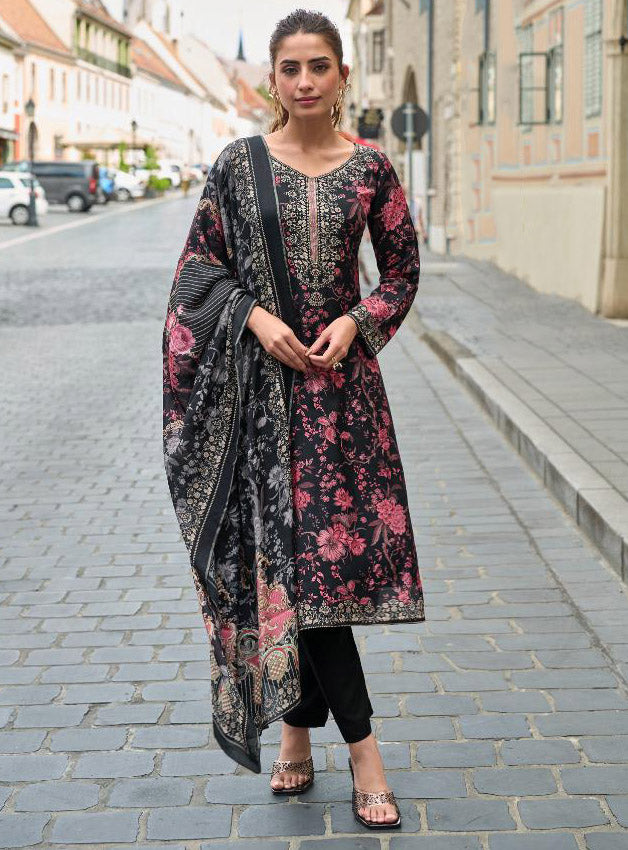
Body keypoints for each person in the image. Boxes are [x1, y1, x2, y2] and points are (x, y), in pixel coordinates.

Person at [162, 8, 425, 831]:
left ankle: (300, 735)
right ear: (273, 79)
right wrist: (252, 316)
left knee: (316, 576)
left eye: (319, 66)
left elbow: (403, 271)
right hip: (259, 408)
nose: (305, 81)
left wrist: (357, 320)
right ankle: (361, 752)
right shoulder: (236, 167)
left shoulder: (371, 168)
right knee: (292, 571)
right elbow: (197, 272)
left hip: (343, 404)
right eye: (290, 68)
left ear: (342, 75)